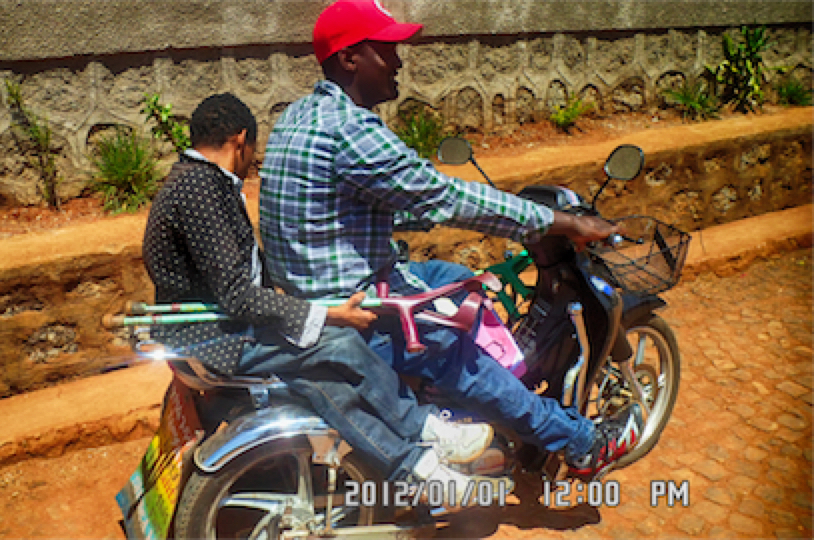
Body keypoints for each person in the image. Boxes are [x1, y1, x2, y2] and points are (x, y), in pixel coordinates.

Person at [259, 0, 643, 480]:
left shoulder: (298, 116)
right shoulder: (351, 130)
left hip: (316, 297)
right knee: (456, 349)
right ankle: (580, 442)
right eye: (387, 50)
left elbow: (372, 204)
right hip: (354, 313)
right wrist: (561, 223)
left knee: (461, 280)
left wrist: (445, 216)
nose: (399, 62)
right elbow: (443, 195)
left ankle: (475, 400)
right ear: (350, 58)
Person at [142, 92, 509, 506]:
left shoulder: (194, 182)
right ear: (241, 139)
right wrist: (331, 314)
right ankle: (423, 425)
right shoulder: (201, 190)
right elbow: (238, 295)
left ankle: (416, 470)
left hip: (211, 334)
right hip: (219, 340)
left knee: (324, 383)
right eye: (254, 150)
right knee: (340, 344)